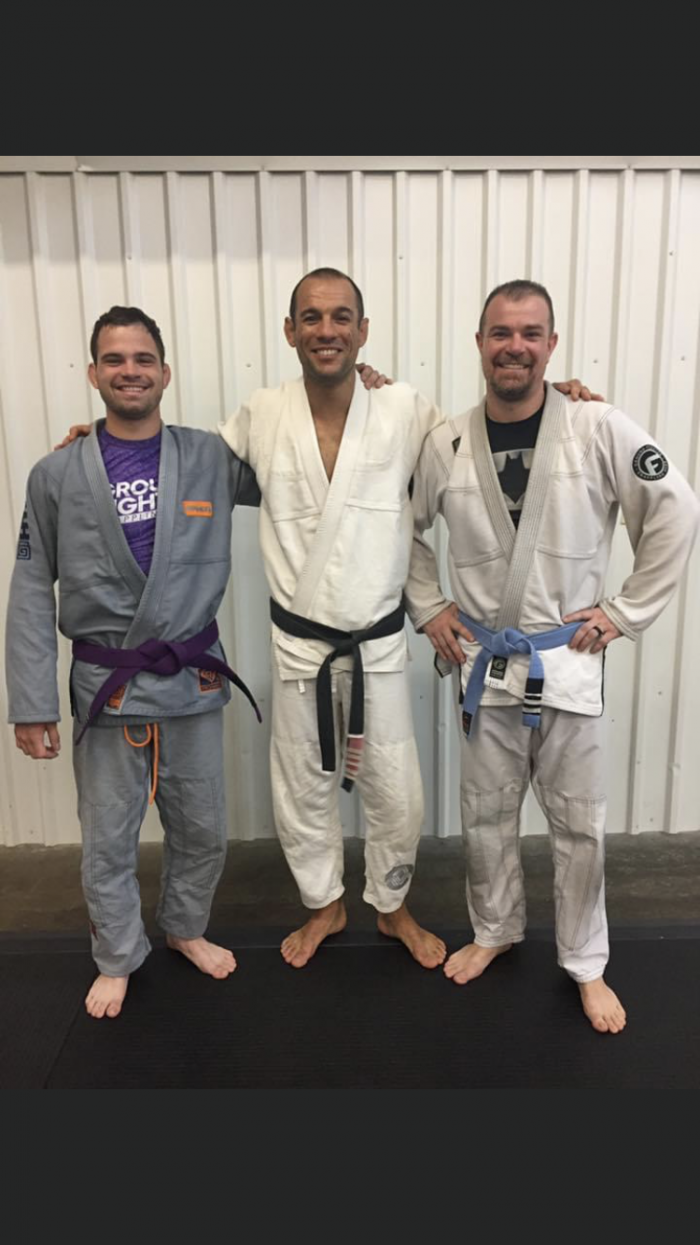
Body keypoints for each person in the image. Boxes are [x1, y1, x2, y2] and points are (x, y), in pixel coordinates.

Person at [219, 267, 592, 971]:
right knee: (301, 785)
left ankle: (391, 906)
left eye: (341, 317)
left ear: (363, 330)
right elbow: (189, 468)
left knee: (396, 790)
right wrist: (113, 439)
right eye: (311, 317)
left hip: (379, 641)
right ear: (289, 330)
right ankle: (325, 904)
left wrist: (559, 404)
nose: (326, 330)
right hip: (299, 644)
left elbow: (480, 438)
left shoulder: (404, 409)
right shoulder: (261, 412)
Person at [404, 278, 700, 1033]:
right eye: (501, 333)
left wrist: (624, 611)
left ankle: (586, 962)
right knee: (486, 814)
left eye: (530, 333)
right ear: (479, 344)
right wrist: (428, 604)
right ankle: (496, 929)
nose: (516, 346)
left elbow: (675, 508)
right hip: (484, 663)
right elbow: (399, 526)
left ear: (552, 345)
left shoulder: (596, 425)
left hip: (565, 660)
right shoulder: (446, 443)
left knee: (578, 822)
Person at [6, 306, 260, 1019]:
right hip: (107, 685)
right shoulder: (56, 473)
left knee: (202, 826)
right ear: (94, 374)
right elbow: (31, 585)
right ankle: (117, 954)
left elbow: (304, 467)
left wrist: (361, 397)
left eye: (143, 359)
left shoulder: (210, 456)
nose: (130, 371)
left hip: (192, 677)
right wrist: (31, 703)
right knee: (108, 835)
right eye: (114, 359)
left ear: (165, 372)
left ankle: (185, 926)